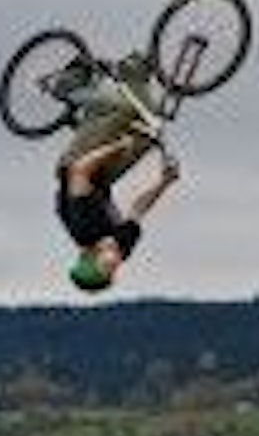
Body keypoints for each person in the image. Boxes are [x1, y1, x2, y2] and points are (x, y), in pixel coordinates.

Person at [52, 54, 181, 292]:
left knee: (125, 109)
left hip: (77, 162)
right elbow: (137, 209)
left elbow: (79, 172)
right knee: (150, 128)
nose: (115, 267)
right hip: (103, 176)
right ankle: (134, 74)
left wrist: (116, 147)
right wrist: (164, 182)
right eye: (113, 273)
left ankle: (69, 88)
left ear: (91, 260)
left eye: (106, 269)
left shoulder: (85, 229)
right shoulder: (122, 245)